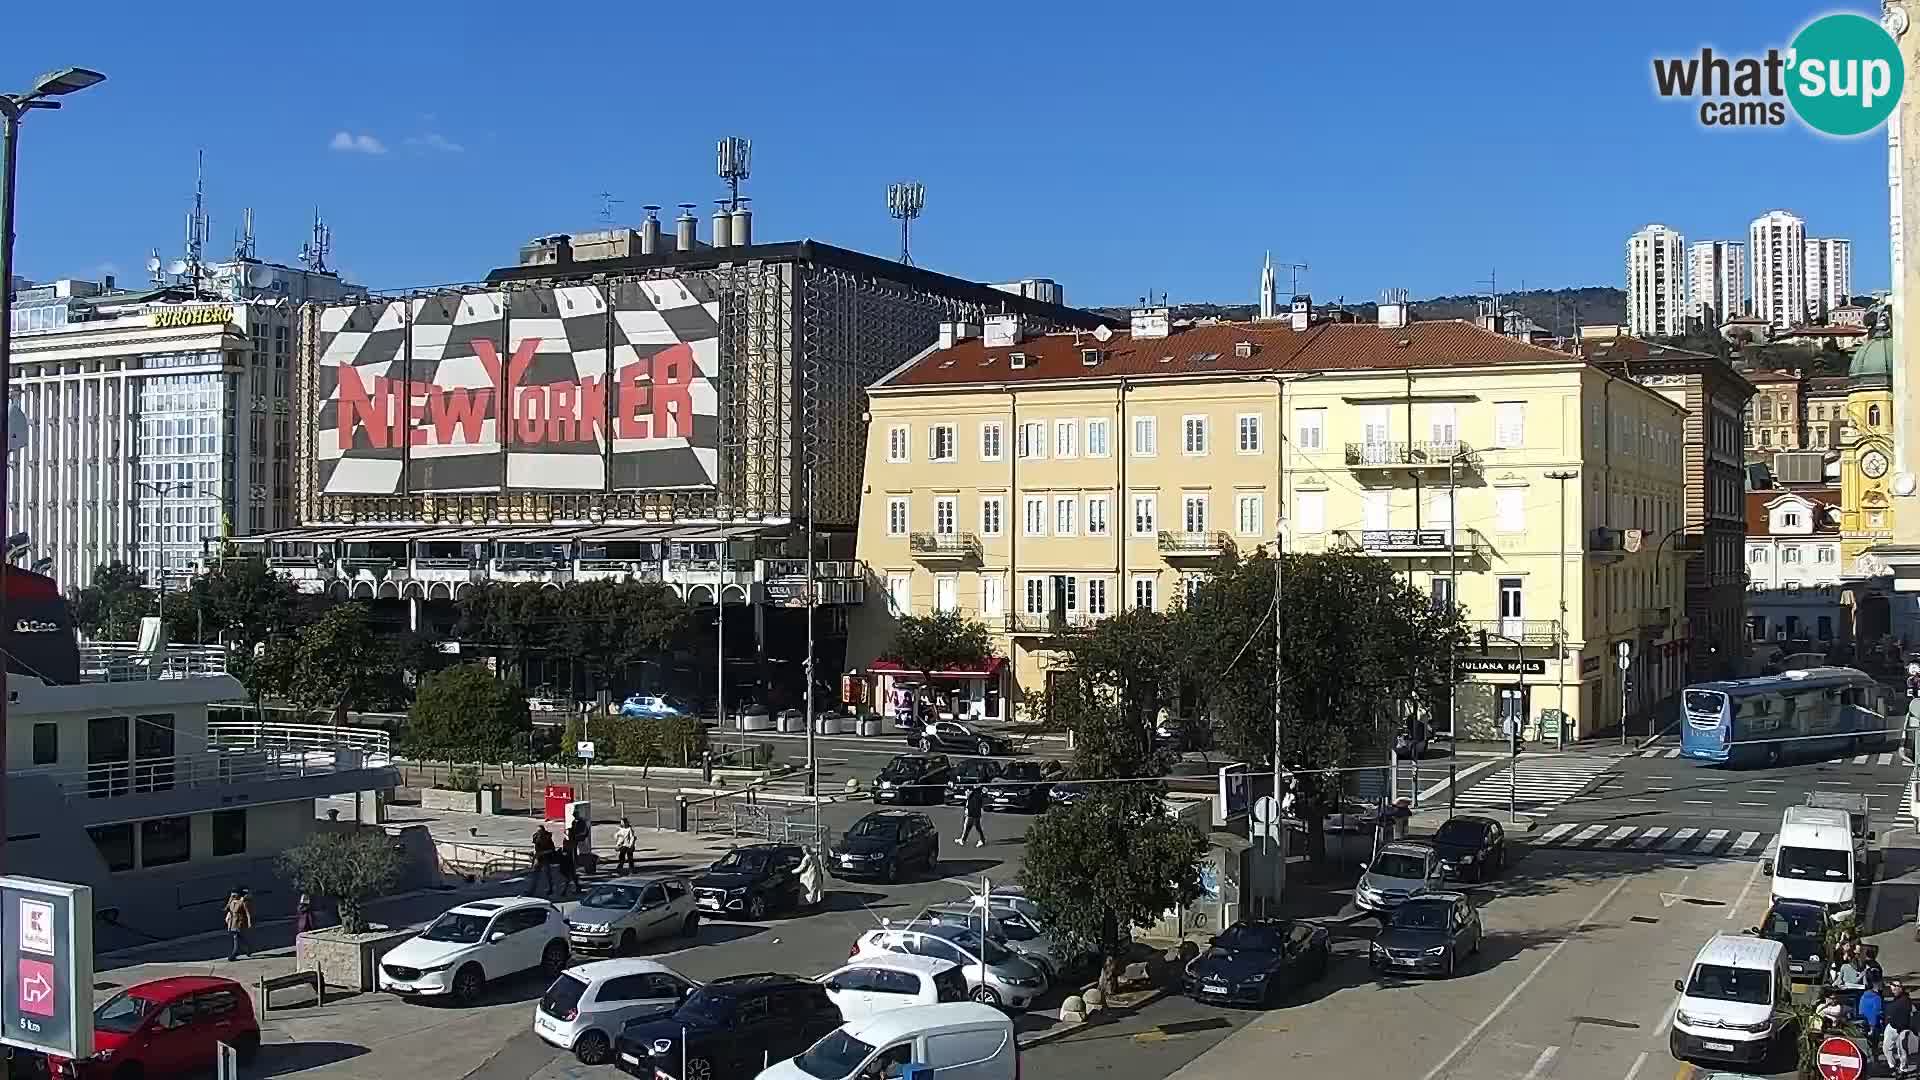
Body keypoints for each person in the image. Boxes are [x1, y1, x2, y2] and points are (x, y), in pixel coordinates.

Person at [223, 888, 253, 961]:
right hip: (232, 922)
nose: (233, 896)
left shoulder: (242, 902)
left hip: (239, 922)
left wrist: (249, 922)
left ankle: (233, 955)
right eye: (232, 894)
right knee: (239, 937)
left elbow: (247, 913)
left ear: (238, 894)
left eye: (234, 894)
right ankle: (248, 949)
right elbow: (227, 910)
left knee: (236, 938)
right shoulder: (232, 902)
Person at [528, 824, 557, 897]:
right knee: (534, 875)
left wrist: (542, 852)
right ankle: (531, 891)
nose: (539, 833)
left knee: (548, 875)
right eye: (538, 831)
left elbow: (552, 850)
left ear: (543, 831)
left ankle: (551, 888)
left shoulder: (548, 838)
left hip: (545, 858)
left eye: (540, 831)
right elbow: (535, 847)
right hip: (538, 858)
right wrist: (534, 854)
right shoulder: (536, 836)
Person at [959, 783, 987, 848]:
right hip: (973, 811)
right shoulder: (976, 792)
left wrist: (968, 793)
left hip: (974, 811)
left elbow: (970, 797)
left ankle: (982, 840)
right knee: (970, 826)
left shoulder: (976, 792)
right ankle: (963, 840)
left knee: (975, 826)